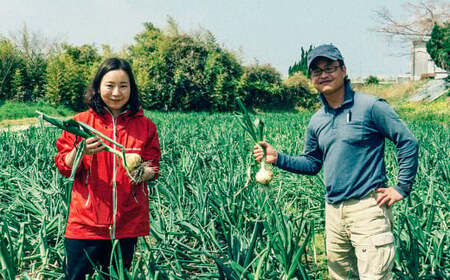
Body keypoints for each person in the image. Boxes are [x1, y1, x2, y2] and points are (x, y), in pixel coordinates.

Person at [253, 44, 419, 279]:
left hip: (367, 209)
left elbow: (407, 141)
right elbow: (312, 163)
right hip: (333, 212)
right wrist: (277, 158)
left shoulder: (371, 107)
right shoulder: (317, 121)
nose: (323, 75)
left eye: (329, 67)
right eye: (316, 71)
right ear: (311, 78)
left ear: (343, 69)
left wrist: (402, 187)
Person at [54, 58, 161, 279]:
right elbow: (63, 165)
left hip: (126, 223)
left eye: (123, 86)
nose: (116, 92)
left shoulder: (146, 126)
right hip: (86, 224)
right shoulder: (80, 123)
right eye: (109, 85)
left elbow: (154, 166)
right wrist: (81, 151)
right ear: (98, 87)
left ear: (131, 88)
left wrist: (142, 172)